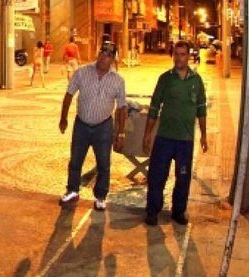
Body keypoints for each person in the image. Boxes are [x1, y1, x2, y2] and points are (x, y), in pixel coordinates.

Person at [143, 40, 208, 226]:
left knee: (183, 177)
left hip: (185, 140)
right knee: (157, 175)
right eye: (176, 54)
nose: (178, 58)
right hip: (164, 137)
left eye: (182, 54)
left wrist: (203, 135)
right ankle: (152, 211)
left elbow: (201, 109)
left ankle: (178, 211)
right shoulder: (165, 79)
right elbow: (155, 107)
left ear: (189, 56)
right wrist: (147, 134)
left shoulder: (197, 80)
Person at [58, 48, 127, 211]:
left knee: (103, 163)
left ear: (113, 59)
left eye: (108, 55)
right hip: (81, 125)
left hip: (103, 127)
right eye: (102, 53)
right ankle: (72, 190)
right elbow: (69, 95)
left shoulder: (118, 80)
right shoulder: (82, 73)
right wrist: (63, 118)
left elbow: (121, 107)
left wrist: (121, 132)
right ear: (98, 54)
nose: (104, 57)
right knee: (75, 160)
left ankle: (101, 196)